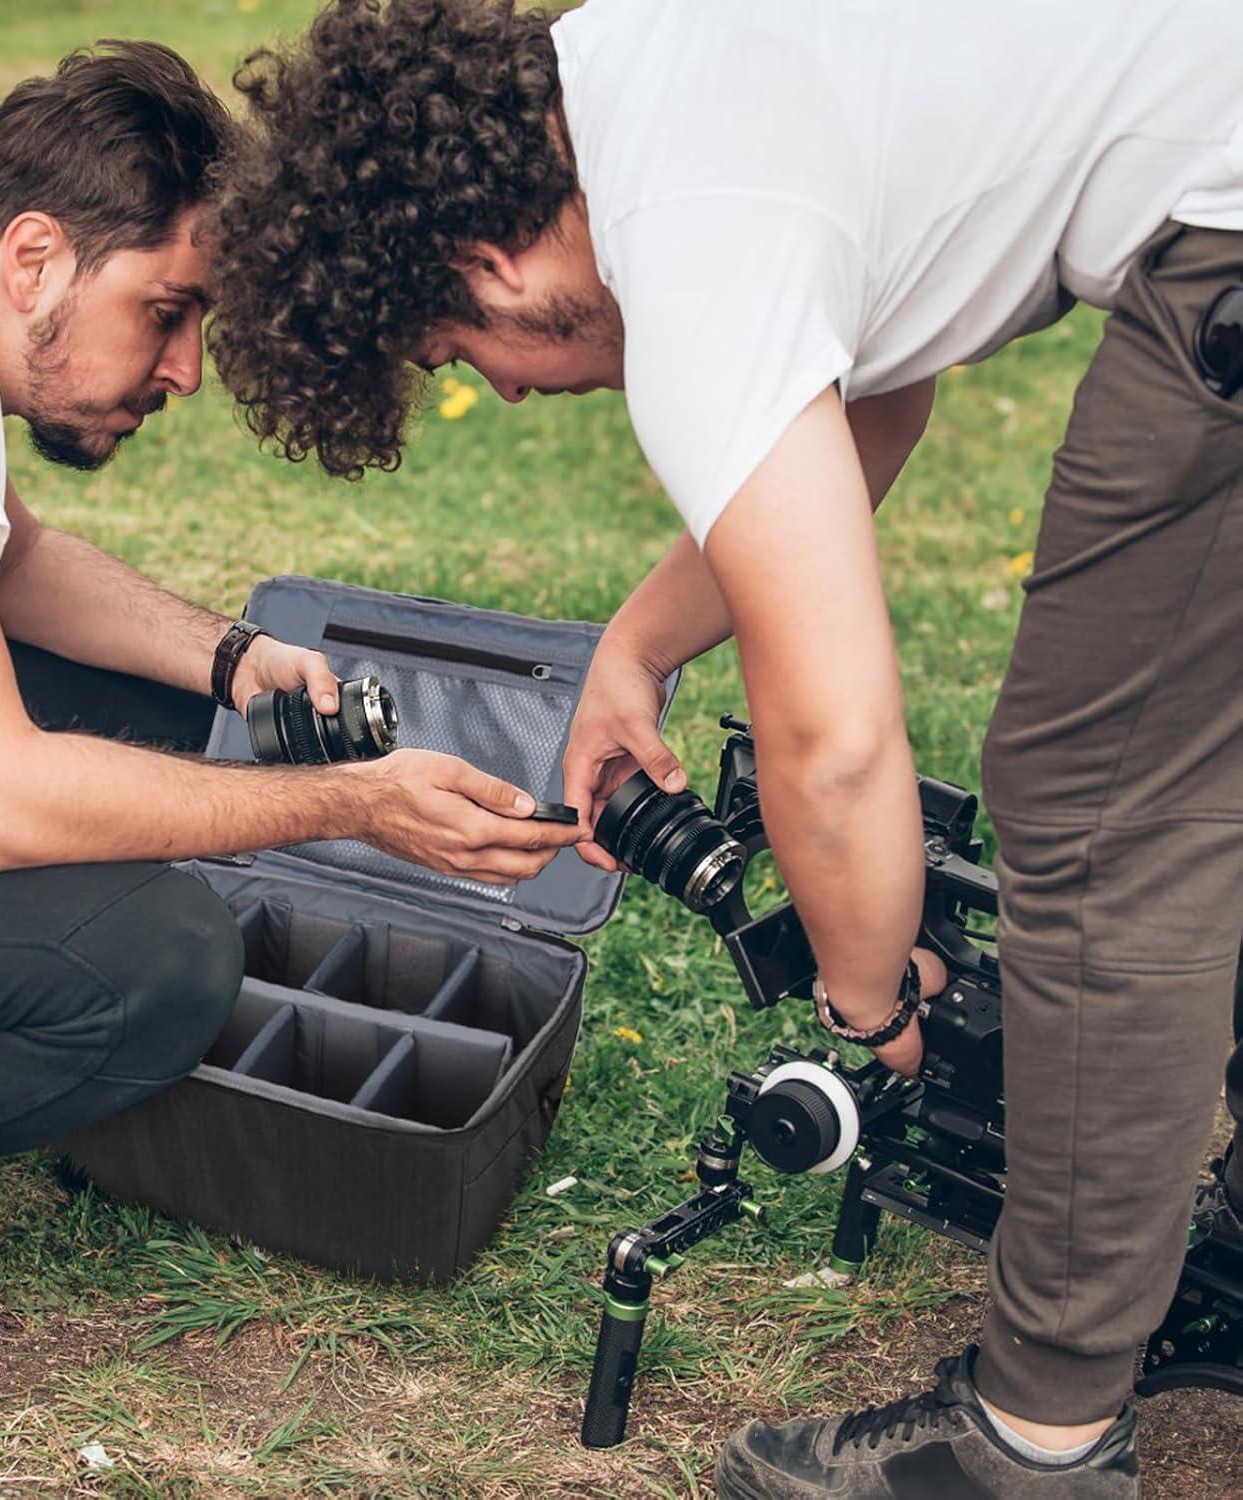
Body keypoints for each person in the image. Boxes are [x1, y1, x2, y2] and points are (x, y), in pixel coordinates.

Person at [205, 0, 1243, 1492]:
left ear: (487, 261)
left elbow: (833, 742)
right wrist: (638, 644)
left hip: (1220, 232)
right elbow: (880, 391)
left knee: (1098, 815)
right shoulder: (663, 77)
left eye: (460, 351)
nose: (502, 387)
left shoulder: (680, 236)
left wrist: (870, 990)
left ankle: (1040, 1439)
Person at [0, 38, 583, 1372]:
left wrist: (229, 658)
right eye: (168, 310)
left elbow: (2, 560)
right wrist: (349, 804)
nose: (184, 371)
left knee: (145, 719)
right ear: (35, 258)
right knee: (158, 964)